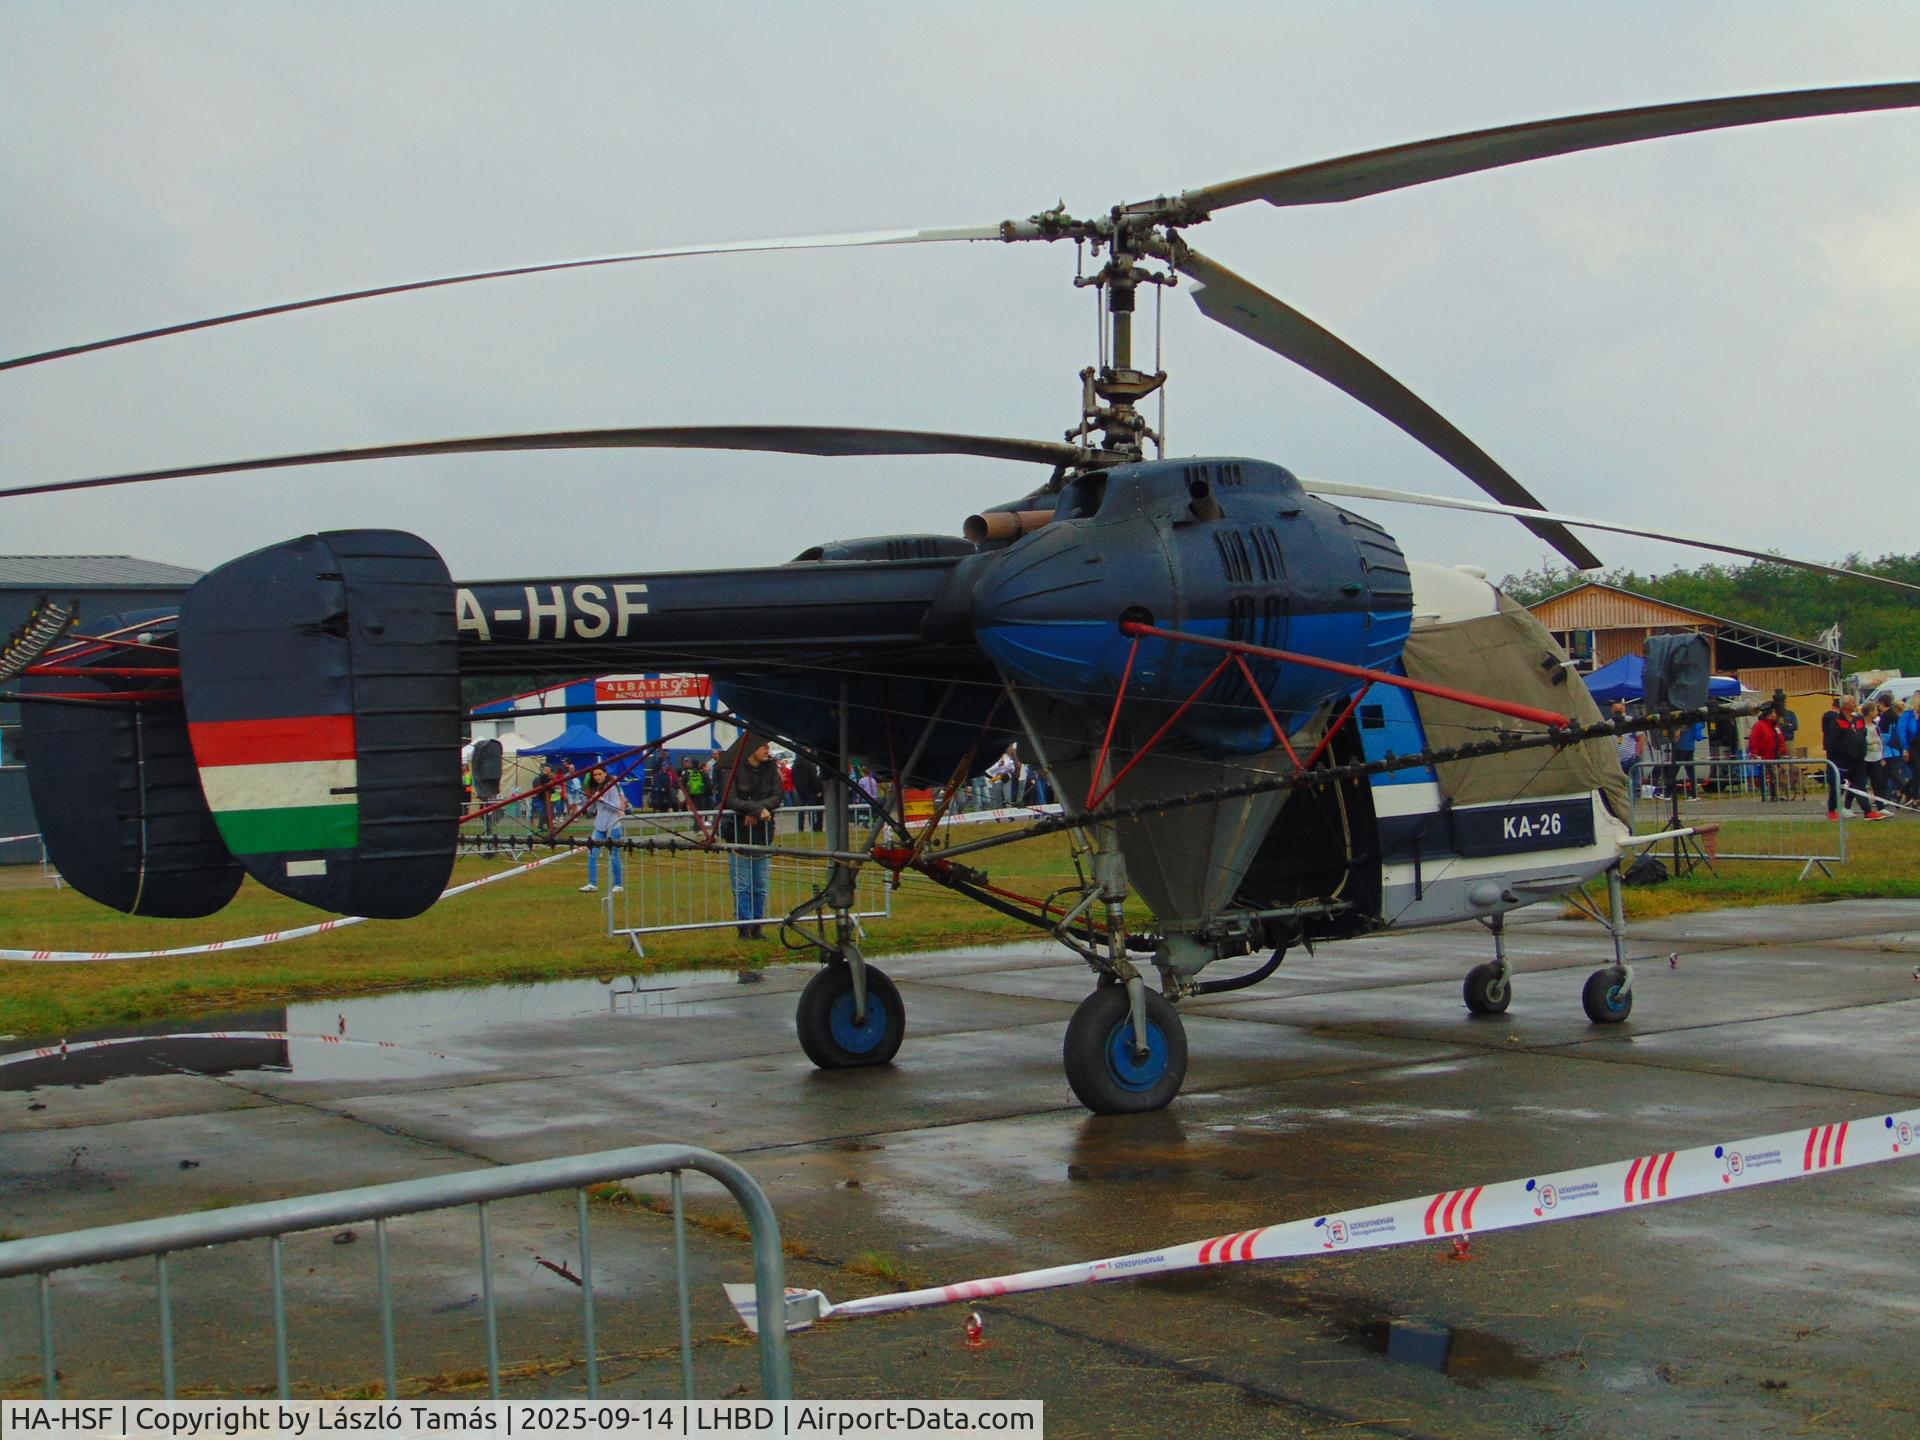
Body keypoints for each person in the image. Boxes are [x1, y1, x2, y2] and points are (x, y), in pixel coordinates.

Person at [720, 734, 785, 938]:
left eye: (768, 746)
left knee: (760, 885)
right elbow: (730, 799)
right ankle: (744, 927)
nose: (767, 750)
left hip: (763, 834)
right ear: (750, 748)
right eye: (763, 746)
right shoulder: (734, 770)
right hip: (738, 835)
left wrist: (758, 810)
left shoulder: (771, 768)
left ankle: (758, 926)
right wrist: (756, 809)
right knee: (742, 886)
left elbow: (778, 796)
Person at [578, 764, 629, 893]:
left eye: (600, 774)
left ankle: (618, 884)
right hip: (599, 826)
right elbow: (591, 810)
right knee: (592, 854)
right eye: (595, 775)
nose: (597, 777)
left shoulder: (612, 787)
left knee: (614, 856)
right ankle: (592, 884)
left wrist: (601, 799)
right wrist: (590, 800)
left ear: (605, 774)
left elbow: (616, 807)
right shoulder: (596, 788)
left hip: (613, 826)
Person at [1747, 706, 1783, 801]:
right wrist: (1754, 753)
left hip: (1775, 756)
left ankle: (1775, 794)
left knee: (1775, 776)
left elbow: (1781, 739)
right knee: (1764, 775)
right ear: (1769, 714)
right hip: (1763, 756)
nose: (1776, 715)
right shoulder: (1759, 725)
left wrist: (1783, 750)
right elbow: (1754, 740)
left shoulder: (1776, 726)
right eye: (1774, 713)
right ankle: (1765, 795)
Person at [985, 744, 1020, 809]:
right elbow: (989, 769)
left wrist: (1011, 769)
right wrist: (998, 765)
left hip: (1007, 778)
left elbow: (1012, 768)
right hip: (996, 779)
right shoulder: (994, 756)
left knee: (1008, 798)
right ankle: (997, 813)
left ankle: (1009, 812)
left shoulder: (1008, 756)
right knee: (997, 799)